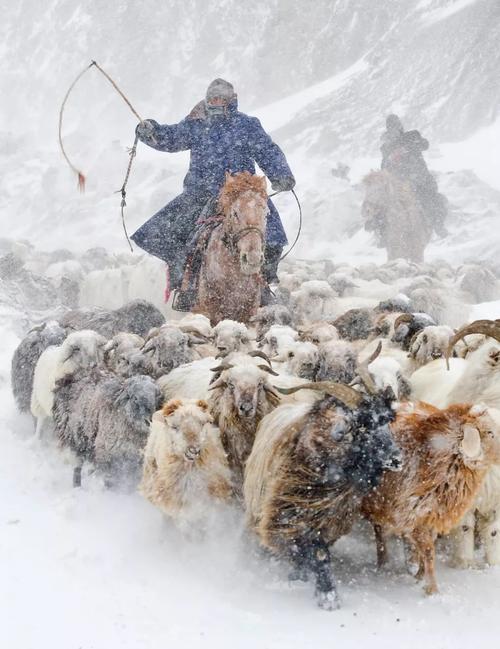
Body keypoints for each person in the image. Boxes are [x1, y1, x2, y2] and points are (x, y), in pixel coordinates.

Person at [131, 79, 295, 305]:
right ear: (207, 100)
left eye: (221, 98)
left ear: (230, 100)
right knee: (177, 238)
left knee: (272, 234)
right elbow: (171, 138)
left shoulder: (247, 125)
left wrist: (281, 174)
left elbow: (267, 150)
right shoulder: (195, 124)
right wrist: (151, 132)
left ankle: (263, 283)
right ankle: (186, 286)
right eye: (213, 98)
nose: (216, 102)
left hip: (242, 194)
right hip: (201, 194)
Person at [380, 114, 447, 236]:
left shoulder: (411, 136)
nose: (395, 128)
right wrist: (391, 158)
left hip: (421, 178)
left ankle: (439, 228)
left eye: (397, 125)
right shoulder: (386, 147)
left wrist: (409, 145)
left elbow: (425, 145)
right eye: (392, 126)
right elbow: (384, 167)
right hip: (402, 183)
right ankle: (385, 237)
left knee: (433, 200)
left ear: (400, 126)